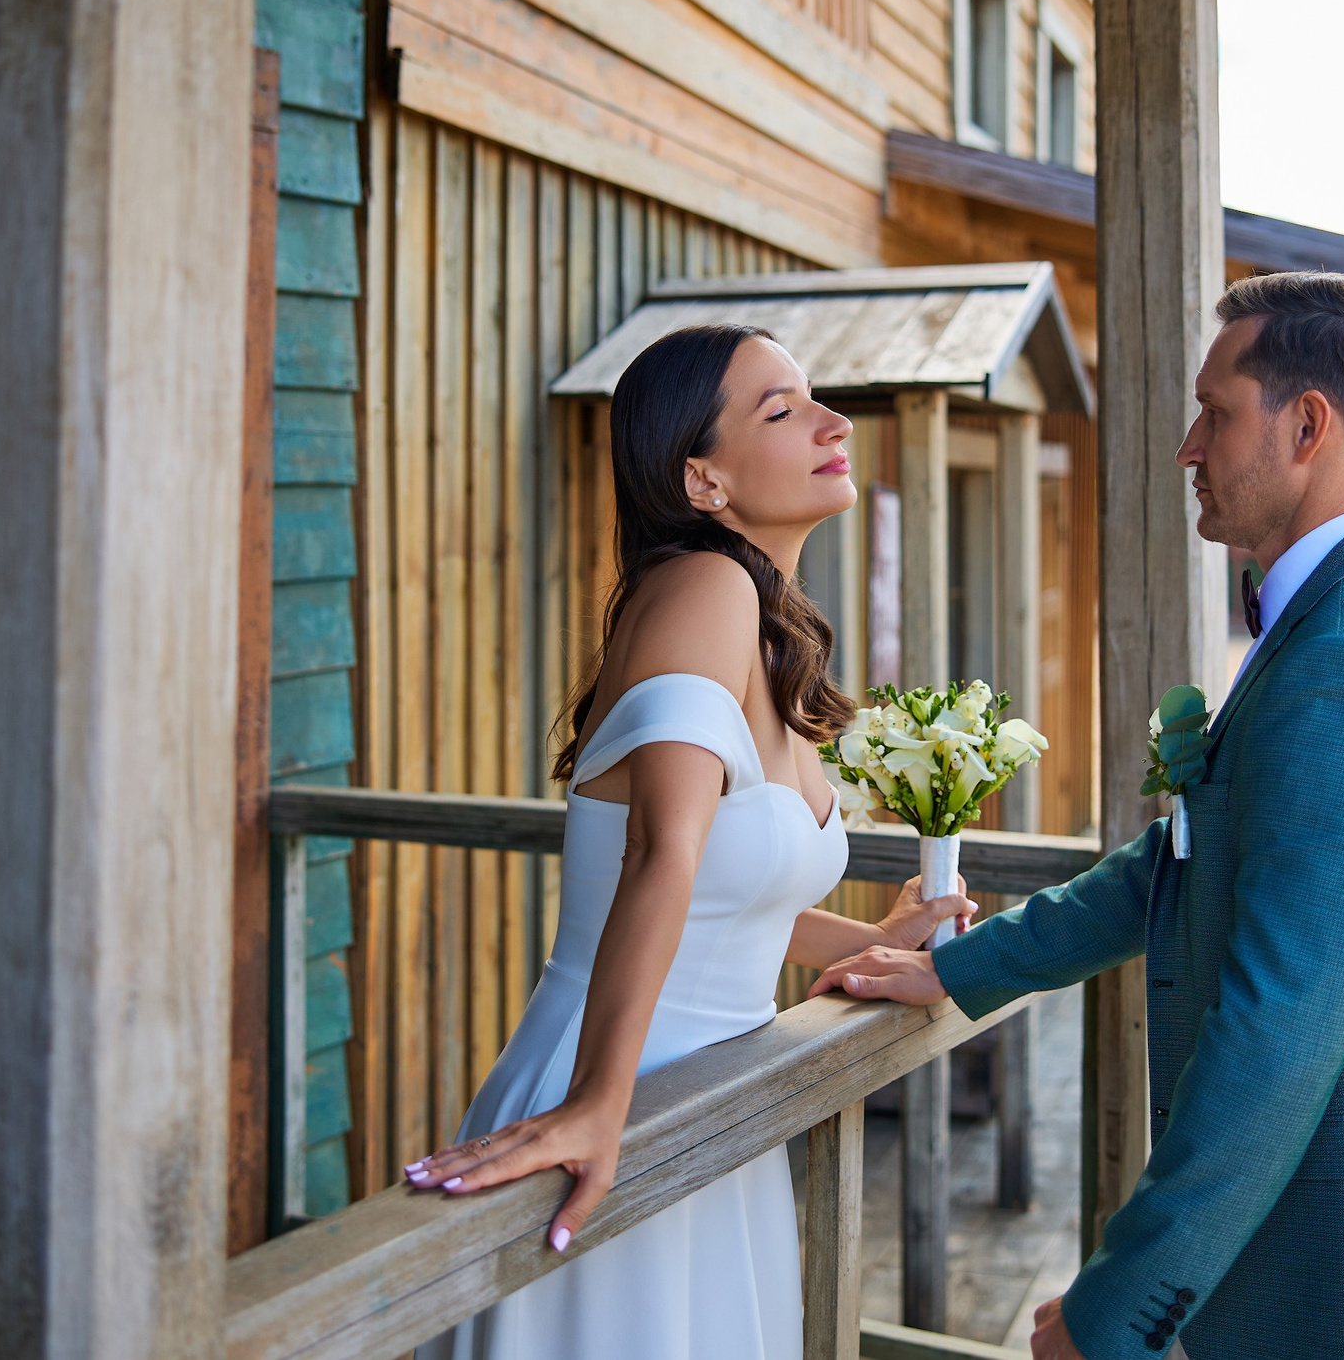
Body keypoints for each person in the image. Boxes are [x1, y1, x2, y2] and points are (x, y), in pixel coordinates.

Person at [812, 272, 1344, 1360]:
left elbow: (1279, 1030)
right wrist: (965, 967)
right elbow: (1185, 857)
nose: (1187, 447)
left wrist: (1119, 1304)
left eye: (1215, 413)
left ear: (1306, 425)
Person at [407, 323, 974, 1360]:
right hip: (620, 1081)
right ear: (703, 480)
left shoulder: (758, 623)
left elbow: (720, 892)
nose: (831, 422)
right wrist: (596, 1105)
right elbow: (659, 855)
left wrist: (871, 941)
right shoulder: (704, 589)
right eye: (781, 409)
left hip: (712, 1094)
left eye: (813, 398)